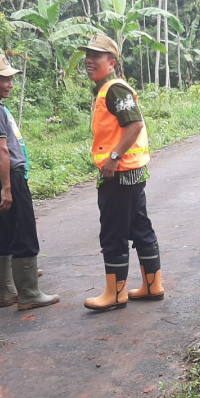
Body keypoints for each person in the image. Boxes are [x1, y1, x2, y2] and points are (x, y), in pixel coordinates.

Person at [0, 54, 59, 310]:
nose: (9, 84)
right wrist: (7, 187)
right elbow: (1, 150)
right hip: (9, 178)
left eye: (10, 79)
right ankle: (29, 294)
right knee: (24, 230)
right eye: (4, 79)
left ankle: (7, 292)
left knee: (3, 232)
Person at [80, 33, 164, 313]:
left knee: (113, 232)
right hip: (131, 171)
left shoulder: (115, 89)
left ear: (112, 62)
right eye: (87, 56)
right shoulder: (107, 90)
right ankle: (152, 286)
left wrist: (113, 158)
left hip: (119, 173)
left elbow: (135, 125)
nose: (89, 61)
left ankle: (115, 294)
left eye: (96, 57)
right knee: (139, 226)